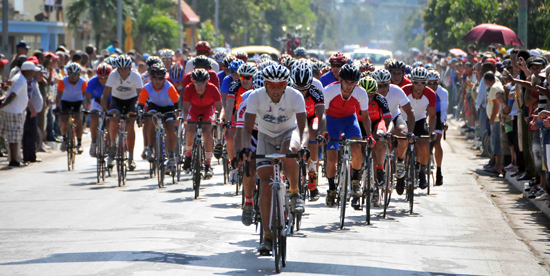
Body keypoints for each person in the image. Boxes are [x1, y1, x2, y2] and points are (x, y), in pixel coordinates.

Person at [240, 64, 308, 255]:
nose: (276, 90)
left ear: (286, 85)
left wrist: (302, 146)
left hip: (289, 132)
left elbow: (304, 128)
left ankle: (294, 193)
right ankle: (267, 236)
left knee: (289, 152)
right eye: (272, 85)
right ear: (265, 84)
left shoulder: (295, 96)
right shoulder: (255, 97)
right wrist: (246, 149)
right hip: (265, 136)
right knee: (266, 182)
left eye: (280, 85)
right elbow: (246, 129)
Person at [323, 64, 373, 206]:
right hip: (332, 122)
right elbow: (322, 114)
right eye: (346, 82)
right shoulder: (329, 90)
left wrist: (369, 135)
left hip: (350, 121)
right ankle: (331, 189)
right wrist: (324, 133)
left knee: (357, 147)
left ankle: (356, 181)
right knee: (332, 158)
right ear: (340, 80)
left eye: (352, 83)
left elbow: (365, 116)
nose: (349, 86)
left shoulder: (361, 92)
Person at [372, 69, 415, 195]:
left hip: (394, 116)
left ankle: (400, 161)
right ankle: (375, 185)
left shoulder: (396, 91)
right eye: (379, 86)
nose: (382, 89)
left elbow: (410, 112)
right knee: (375, 151)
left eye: (385, 85)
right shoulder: (369, 92)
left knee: (402, 133)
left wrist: (410, 132)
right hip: (377, 118)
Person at [101, 55, 143, 170]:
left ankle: (130, 157)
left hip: (131, 100)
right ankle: (112, 148)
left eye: (125, 69)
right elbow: (104, 96)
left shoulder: (136, 76)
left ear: (129, 68)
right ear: (117, 69)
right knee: (113, 119)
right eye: (120, 69)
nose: (123, 72)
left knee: (130, 124)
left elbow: (142, 96)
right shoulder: (113, 75)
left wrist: (140, 111)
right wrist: (105, 110)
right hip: (117, 100)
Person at [355, 76, 391, 208]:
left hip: (376, 123)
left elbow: (388, 120)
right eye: (365, 95)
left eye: (371, 96)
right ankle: (356, 190)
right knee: (357, 154)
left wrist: (387, 133)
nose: (368, 99)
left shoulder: (381, 99)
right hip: (359, 124)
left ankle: (380, 168)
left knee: (380, 138)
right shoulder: (354, 99)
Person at [181, 69, 224, 179]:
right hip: (193, 109)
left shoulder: (213, 89)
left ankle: (208, 164)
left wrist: (219, 118)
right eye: (197, 84)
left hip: (208, 109)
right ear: (193, 83)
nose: (200, 87)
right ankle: (188, 156)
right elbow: (185, 109)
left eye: (203, 84)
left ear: (207, 83)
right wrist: (185, 119)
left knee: (207, 131)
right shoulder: (188, 89)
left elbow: (221, 107)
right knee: (190, 130)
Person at [291, 62, 325, 201]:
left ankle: (312, 173)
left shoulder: (316, 92)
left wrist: (321, 134)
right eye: (297, 89)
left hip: (311, 118)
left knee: (314, 131)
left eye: (304, 89)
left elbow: (322, 115)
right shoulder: (287, 90)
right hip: (293, 119)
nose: (301, 93)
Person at [402, 67, 437, 189]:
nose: (419, 86)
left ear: (425, 83)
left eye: (422, 83)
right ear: (412, 82)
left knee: (424, 144)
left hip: (420, 120)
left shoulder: (430, 94)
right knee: (401, 143)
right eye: (416, 82)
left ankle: (422, 171)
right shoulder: (404, 90)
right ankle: (400, 172)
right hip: (404, 120)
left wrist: (431, 132)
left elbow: (432, 116)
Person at [138, 64, 179, 168]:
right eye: (155, 78)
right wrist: (140, 114)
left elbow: (177, 105)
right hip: (154, 106)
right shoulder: (147, 87)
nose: (158, 81)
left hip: (168, 107)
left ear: (164, 78)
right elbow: (140, 104)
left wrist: (178, 116)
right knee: (151, 118)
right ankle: (150, 148)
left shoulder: (169, 87)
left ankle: (171, 154)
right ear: (151, 78)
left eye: (161, 78)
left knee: (170, 128)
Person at [0, 61, 40, 167]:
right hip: (14, 111)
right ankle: (14, 160)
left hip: (16, 110)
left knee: (15, 136)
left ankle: (15, 158)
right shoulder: (20, 80)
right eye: (33, 71)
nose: (34, 73)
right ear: (28, 71)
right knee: (14, 137)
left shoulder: (19, 77)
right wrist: (3, 104)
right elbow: (13, 94)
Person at [56, 62, 87, 154]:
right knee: (63, 119)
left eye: (75, 74)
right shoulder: (63, 81)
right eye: (71, 74)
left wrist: (85, 107)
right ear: (68, 74)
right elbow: (59, 95)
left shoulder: (83, 82)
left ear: (79, 75)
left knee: (78, 119)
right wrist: (58, 106)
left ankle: (79, 143)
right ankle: (64, 139)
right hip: (65, 101)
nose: (73, 76)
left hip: (78, 101)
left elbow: (85, 96)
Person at [426, 70, 449, 185]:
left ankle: (439, 171)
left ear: (438, 82)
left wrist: (443, 122)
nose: (432, 86)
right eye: (429, 83)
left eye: (435, 83)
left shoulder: (443, 92)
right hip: (425, 114)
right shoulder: (422, 90)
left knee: (436, 143)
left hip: (438, 115)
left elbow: (443, 110)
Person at [85, 63, 112, 157]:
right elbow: (87, 97)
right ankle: (93, 142)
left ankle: (109, 143)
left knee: (111, 122)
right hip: (97, 101)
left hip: (110, 102)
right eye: (101, 78)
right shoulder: (92, 81)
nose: (103, 80)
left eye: (106, 78)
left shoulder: (114, 81)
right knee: (93, 116)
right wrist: (86, 108)